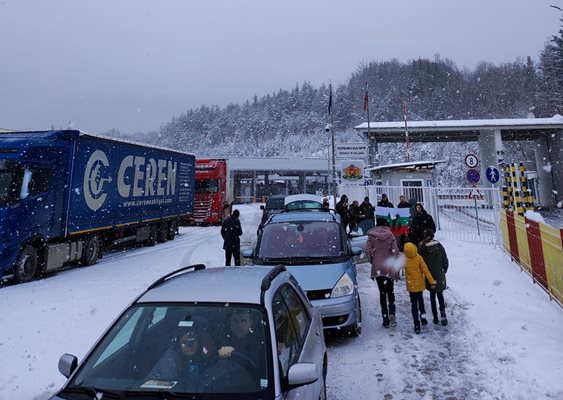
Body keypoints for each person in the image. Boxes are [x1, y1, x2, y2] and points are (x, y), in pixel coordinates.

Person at [148, 323, 210, 391]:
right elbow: (169, 390)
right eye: (185, 343)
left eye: (192, 341)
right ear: (178, 342)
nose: (189, 346)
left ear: (199, 340)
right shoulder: (169, 360)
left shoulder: (204, 355)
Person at [364, 218, 400, 328]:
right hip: (389, 266)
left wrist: (373, 260)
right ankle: (392, 313)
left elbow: (367, 250)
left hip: (378, 267)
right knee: (390, 290)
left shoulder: (371, 236)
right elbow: (395, 250)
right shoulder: (390, 235)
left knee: (382, 292)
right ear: (385, 224)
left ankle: (385, 318)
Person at [403, 242, 436, 334]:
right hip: (419, 285)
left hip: (411, 287)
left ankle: (416, 325)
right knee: (420, 302)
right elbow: (426, 271)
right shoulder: (419, 258)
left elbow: (396, 267)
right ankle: (423, 318)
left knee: (413, 304)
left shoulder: (404, 259)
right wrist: (431, 282)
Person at [418, 228, 449, 326]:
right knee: (440, 295)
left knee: (432, 296)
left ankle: (435, 317)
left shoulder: (422, 247)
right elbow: (445, 261)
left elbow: (420, 262)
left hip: (429, 275)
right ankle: (443, 315)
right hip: (439, 274)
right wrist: (443, 271)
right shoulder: (439, 246)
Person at [218, 309, 264, 373]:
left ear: (250, 323)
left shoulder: (260, 345)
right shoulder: (220, 340)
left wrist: (233, 354)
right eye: (235, 320)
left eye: (244, 321)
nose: (239, 325)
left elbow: (257, 370)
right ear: (230, 322)